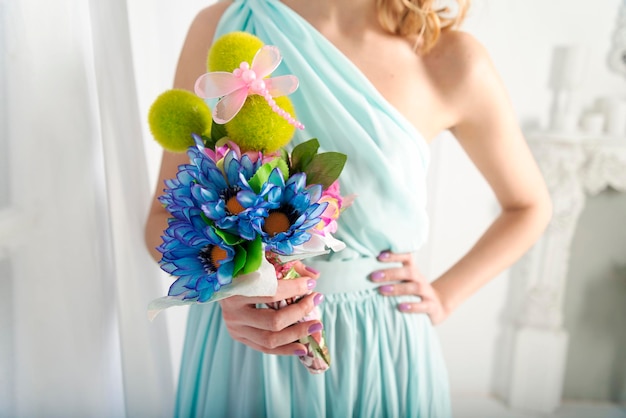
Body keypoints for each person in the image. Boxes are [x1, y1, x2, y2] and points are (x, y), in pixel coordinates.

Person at [145, 0, 552, 416]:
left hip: (379, 347)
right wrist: (226, 288)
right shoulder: (223, 26)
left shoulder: (449, 59)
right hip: (244, 347)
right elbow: (161, 220)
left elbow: (529, 206)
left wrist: (445, 297)